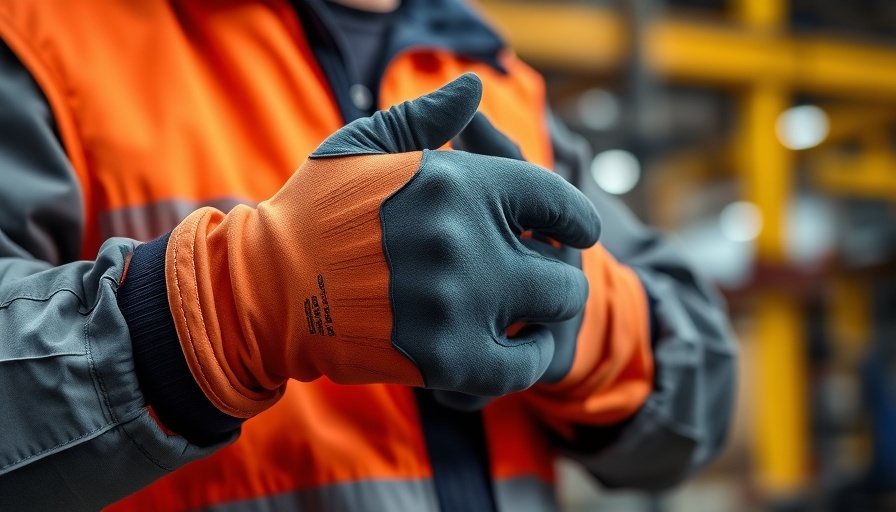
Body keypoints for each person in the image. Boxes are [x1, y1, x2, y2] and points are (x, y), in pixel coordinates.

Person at [0, 1, 737, 510]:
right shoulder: (46, 43)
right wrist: (238, 302)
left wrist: (578, 319)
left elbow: (701, 397)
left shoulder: (496, 75)